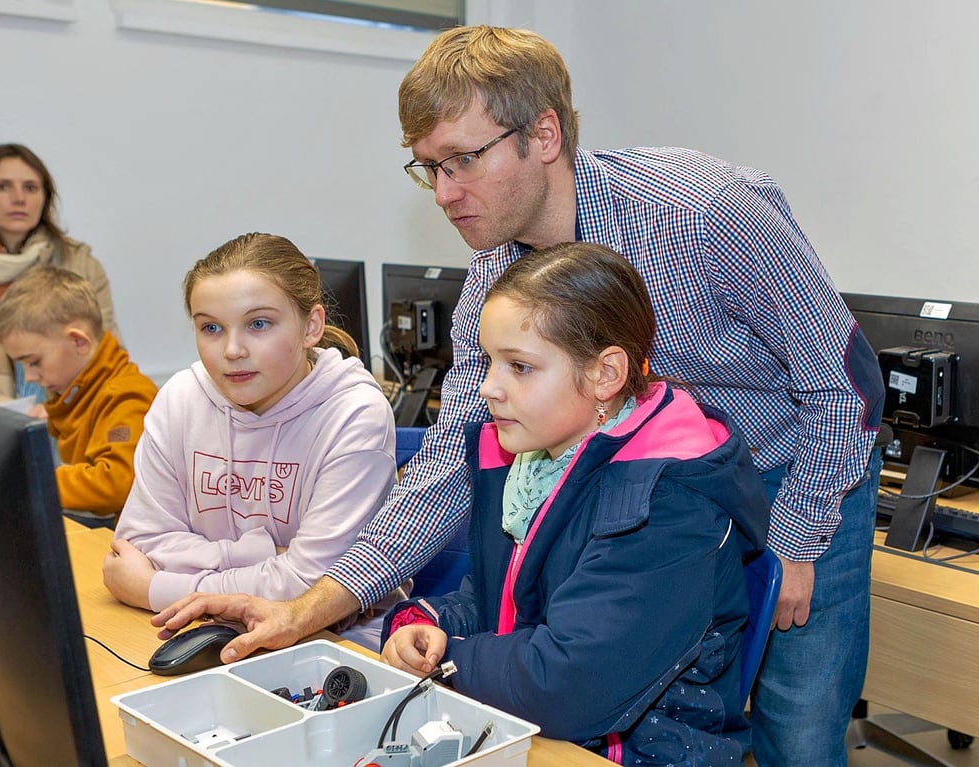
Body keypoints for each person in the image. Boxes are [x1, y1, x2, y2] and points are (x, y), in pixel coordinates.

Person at [153, 26, 885, 765]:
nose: (445, 194)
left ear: (543, 135)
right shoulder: (492, 279)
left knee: (796, 729)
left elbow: (845, 384)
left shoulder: (704, 213)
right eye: (429, 168)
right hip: (622, 488)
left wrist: (797, 539)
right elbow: (448, 465)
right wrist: (309, 607)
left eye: (463, 160)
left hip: (796, 470)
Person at [379, 242, 769, 764]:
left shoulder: (669, 504)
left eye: (520, 367)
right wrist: (424, 627)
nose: (489, 387)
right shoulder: (535, 465)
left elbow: (567, 687)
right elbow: (501, 599)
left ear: (605, 374)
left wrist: (452, 660)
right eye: (489, 361)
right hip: (537, 732)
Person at [103, 232, 399, 648]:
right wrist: (266, 554)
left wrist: (152, 588)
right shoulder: (181, 397)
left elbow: (309, 589)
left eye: (259, 324)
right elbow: (141, 543)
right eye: (211, 327)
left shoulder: (354, 413)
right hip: (197, 632)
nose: (232, 350)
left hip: (331, 641)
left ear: (311, 326)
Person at [0, 143, 119, 416]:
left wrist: (56, 410)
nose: (19, 198)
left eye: (30, 187)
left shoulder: (81, 264)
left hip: (71, 422)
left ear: (45, 197)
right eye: (3, 187)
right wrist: (14, 411)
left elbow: (107, 359)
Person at [0, 266, 158, 525]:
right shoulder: (74, 392)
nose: (30, 377)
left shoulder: (126, 395)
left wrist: (35, 481)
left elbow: (115, 483)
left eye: (34, 362)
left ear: (79, 342)